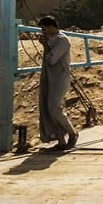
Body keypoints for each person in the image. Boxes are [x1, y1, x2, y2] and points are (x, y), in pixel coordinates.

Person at [37, 15, 78, 151]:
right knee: (48, 108)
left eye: (44, 29)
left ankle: (72, 132)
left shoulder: (63, 40)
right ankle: (60, 140)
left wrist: (45, 46)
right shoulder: (50, 39)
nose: (43, 31)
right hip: (48, 76)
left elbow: (52, 59)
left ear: (51, 27)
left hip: (60, 78)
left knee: (54, 107)